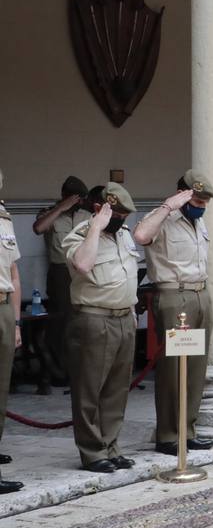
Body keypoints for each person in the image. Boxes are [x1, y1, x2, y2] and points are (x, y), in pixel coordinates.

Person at [134, 171, 213, 456]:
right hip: (174, 295)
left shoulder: (198, 221)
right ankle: (168, 434)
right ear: (181, 194)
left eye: (205, 201)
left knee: (195, 367)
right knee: (173, 368)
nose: (200, 206)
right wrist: (169, 206)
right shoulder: (164, 218)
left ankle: (187, 430)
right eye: (195, 199)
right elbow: (141, 235)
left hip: (200, 294)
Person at [63, 182, 140, 472]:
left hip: (123, 317)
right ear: (100, 208)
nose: (122, 219)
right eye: (117, 213)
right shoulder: (81, 235)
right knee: (89, 389)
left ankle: (111, 445)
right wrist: (95, 227)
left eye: (124, 214)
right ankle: (93, 452)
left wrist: (131, 309)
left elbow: (127, 274)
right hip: (94, 318)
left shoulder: (123, 235)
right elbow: (83, 265)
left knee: (117, 388)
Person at [32, 175, 89, 378]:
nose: (79, 203)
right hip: (60, 273)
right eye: (75, 198)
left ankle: (78, 367)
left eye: (81, 199)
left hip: (82, 272)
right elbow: (38, 228)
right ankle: (59, 369)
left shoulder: (86, 215)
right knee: (62, 322)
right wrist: (61, 208)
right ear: (65, 196)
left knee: (82, 320)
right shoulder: (50, 214)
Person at [0, 168, 24, 490]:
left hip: (4, 307)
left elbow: (14, 273)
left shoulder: (5, 219)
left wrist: (16, 321)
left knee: (1, 386)